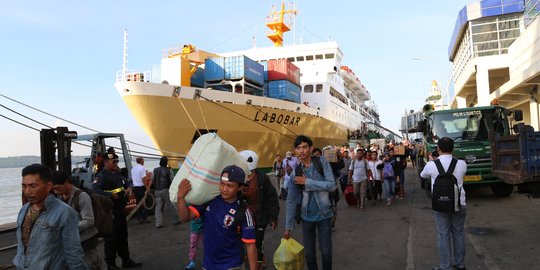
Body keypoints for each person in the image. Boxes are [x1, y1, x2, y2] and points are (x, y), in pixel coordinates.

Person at [176, 165, 258, 270]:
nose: (224, 189)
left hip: (232, 266)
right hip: (208, 265)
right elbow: (184, 217)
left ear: (240, 187)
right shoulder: (208, 200)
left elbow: (251, 246)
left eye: (230, 186)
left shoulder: (244, 212)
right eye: (222, 184)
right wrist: (180, 197)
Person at [14, 164, 88, 269]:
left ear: (48, 186)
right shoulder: (24, 210)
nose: (27, 191)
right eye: (24, 186)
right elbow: (22, 248)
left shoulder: (65, 213)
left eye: (33, 186)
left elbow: (74, 254)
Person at [284, 135, 336, 270]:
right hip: (306, 217)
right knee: (309, 255)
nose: (301, 151)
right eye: (298, 148)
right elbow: (291, 200)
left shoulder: (322, 162)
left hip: (324, 215)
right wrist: (288, 226)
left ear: (311, 148)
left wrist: (308, 182)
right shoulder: (296, 172)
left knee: (326, 253)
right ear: (295, 151)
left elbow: (332, 185)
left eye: (304, 147)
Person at [420, 137, 467, 270]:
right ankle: (460, 264)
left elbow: (423, 176)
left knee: (443, 234)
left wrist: (432, 161)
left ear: (438, 149)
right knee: (458, 233)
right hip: (459, 202)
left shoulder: (431, 165)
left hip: (440, 204)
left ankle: (445, 266)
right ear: (453, 149)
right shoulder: (462, 164)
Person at [93, 153, 141, 269]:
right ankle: (111, 264)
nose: (116, 164)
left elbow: (127, 182)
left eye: (116, 161)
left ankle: (126, 260)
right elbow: (95, 190)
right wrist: (109, 195)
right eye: (113, 162)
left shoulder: (117, 173)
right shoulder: (102, 176)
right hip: (111, 213)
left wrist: (129, 187)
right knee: (111, 239)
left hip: (120, 211)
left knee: (122, 236)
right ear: (105, 163)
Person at [52, 171, 101, 270]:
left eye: (57, 188)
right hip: (70, 244)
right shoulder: (60, 197)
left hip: (85, 243)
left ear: (66, 182)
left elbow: (89, 220)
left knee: (91, 266)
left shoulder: (82, 196)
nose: (56, 192)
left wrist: (68, 228)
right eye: (54, 190)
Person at [240, 150, 280, 269]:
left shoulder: (262, 178)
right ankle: (258, 260)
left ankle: (258, 263)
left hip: (259, 217)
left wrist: (273, 217)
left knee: (257, 244)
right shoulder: (238, 178)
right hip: (242, 219)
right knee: (245, 244)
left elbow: (272, 198)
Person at [151, 156, 181, 228]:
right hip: (165, 190)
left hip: (157, 191)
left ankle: (158, 223)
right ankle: (176, 220)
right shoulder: (169, 170)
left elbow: (152, 179)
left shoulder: (155, 170)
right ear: (166, 162)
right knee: (171, 205)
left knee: (158, 207)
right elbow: (172, 180)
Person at [131, 157, 149, 223]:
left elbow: (133, 178)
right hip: (141, 187)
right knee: (145, 202)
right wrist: (147, 188)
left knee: (138, 203)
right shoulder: (142, 168)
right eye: (143, 160)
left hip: (135, 188)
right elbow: (143, 179)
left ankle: (139, 218)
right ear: (141, 161)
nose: (143, 161)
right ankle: (144, 218)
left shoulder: (133, 169)